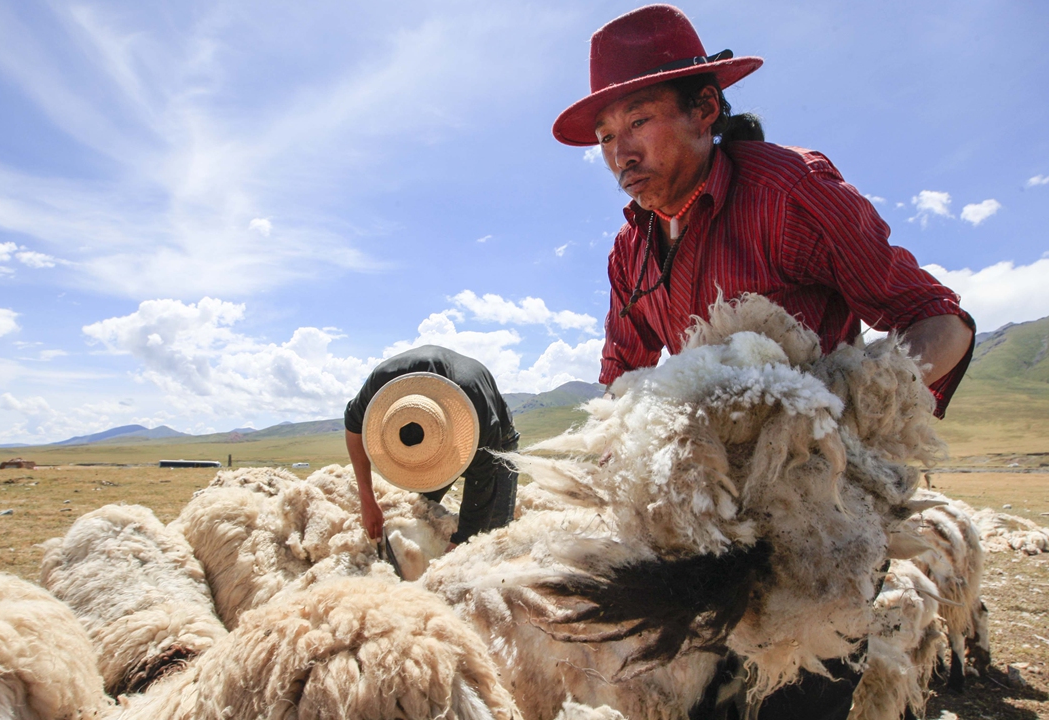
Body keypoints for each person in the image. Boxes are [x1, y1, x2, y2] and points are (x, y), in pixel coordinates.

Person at [551, 5, 975, 719]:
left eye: (638, 122)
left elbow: (938, 318)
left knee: (798, 698)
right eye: (606, 137)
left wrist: (842, 409)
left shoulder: (788, 194)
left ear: (705, 108)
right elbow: (620, 374)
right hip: (710, 518)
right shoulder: (630, 252)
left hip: (818, 518)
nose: (620, 153)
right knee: (689, 696)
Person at [344, 346, 519, 550]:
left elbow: (481, 486)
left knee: (490, 535)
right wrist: (367, 499)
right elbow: (353, 426)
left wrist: (461, 542)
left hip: (496, 439)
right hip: (450, 421)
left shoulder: (480, 420)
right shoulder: (380, 385)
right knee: (418, 513)